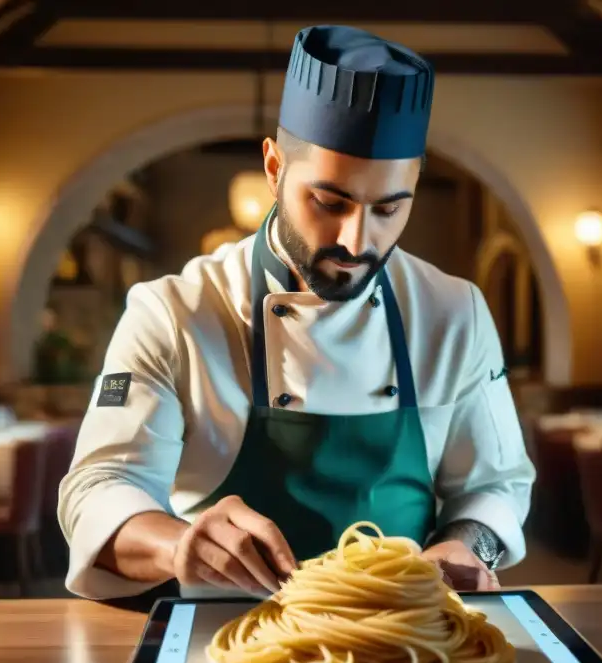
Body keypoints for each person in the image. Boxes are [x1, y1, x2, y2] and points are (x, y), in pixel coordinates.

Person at [58, 25, 536, 600]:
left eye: (388, 208)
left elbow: (497, 485)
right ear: (273, 168)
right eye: (330, 202)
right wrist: (178, 545)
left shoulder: (454, 312)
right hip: (226, 633)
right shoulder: (175, 312)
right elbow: (99, 487)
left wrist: (467, 545)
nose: (358, 242)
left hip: (402, 632)